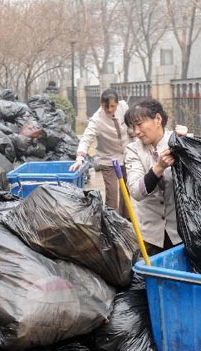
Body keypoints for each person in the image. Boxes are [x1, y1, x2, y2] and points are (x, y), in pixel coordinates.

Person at [123, 98, 187, 255]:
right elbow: (136, 192)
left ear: (157, 119)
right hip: (149, 235)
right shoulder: (133, 150)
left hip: (180, 231)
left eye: (139, 124)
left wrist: (188, 145)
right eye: (133, 126)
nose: (136, 131)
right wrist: (158, 168)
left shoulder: (179, 141)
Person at [70, 88, 131, 217]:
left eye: (113, 106)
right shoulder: (97, 120)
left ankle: (126, 221)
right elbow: (86, 138)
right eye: (105, 106)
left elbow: (133, 124)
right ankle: (112, 222)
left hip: (127, 156)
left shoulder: (124, 107)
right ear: (101, 104)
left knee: (127, 192)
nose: (109, 110)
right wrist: (80, 157)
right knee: (112, 196)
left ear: (118, 103)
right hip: (108, 160)